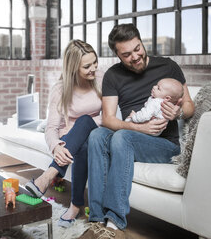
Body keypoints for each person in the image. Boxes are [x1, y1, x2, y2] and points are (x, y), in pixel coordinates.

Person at [79, 23, 195, 239]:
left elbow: (189, 106)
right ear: (117, 55)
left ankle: (114, 224)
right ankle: (96, 220)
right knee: (96, 135)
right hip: (132, 134)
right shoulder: (113, 75)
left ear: (142, 43)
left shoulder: (168, 67)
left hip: (164, 146)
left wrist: (177, 113)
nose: (135, 57)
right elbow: (108, 119)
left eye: (137, 49)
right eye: (126, 54)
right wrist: (138, 127)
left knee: (122, 138)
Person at [25, 39, 102, 228]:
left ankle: (46, 178)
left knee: (84, 121)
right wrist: (56, 145)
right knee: (82, 143)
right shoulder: (60, 89)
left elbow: (108, 115)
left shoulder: (101, 79)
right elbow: (51, 127)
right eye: (87, 66)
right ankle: (75, 206)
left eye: (95, 62)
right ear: (73, 67)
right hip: (72, 140)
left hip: (98, 130)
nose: (93, 68)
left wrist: (88, 122)